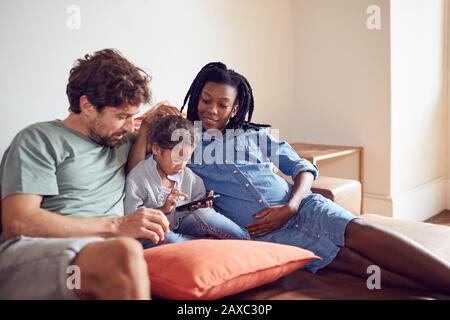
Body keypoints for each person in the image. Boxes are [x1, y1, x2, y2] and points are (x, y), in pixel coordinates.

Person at [129, 62, 450, 293]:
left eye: (222, 104)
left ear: (235, 106)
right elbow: (141, 171)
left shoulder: (254, 135)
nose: (211, 109)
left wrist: (293, 205)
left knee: (361, 231)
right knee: (354, 265)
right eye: (206, 100)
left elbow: (303, 168)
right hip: (270, 237)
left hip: (304, 207)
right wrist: (145, 127)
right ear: (197, 96)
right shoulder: (182, 142)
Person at [0, 49, 172, 299]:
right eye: (122, 116)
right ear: (87, 105)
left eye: (133, 117)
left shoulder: (122, 142)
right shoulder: (39, 139)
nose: (128, 125)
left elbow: (177, 142)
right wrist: (117, 225)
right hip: (34, 251)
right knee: (123, 253)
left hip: (101, 252)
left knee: (126, 253)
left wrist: (147, 125)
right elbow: (19, 222)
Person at [124, 115, 249, 248]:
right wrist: (164, 209)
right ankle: (206, 246)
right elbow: (133, 219)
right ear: (157, 149)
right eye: (177, 159)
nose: (182, 166)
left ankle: (248, 240)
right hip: (154, 234)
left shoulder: (188, 177)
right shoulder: (138, 177)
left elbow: (198, 206)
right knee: (168, 238)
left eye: (186, 160)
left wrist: (203, 205)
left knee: (205, 215)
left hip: (183, 224)